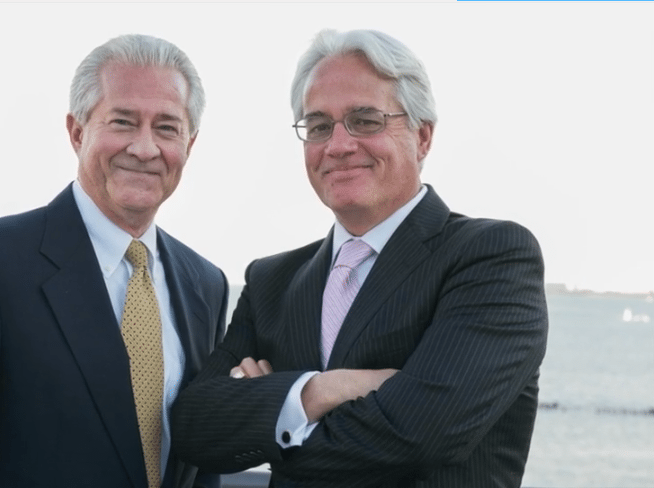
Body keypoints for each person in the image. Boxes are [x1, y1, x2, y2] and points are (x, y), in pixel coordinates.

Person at [171, 28, 548, 487]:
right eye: (319, 126)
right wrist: (322, 390)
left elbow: (416, 436)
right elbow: (192, 427)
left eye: (365, 120)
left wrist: (268, 411)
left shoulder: (490, 259)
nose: (338, 145)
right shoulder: (272, 281)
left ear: (422, 136)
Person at [0, 34, 228, 488]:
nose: (145, 147)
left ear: (189, 145)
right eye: (123, 121)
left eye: (167, 127)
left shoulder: (205, 284)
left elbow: (198, 465)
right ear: (77, 132)